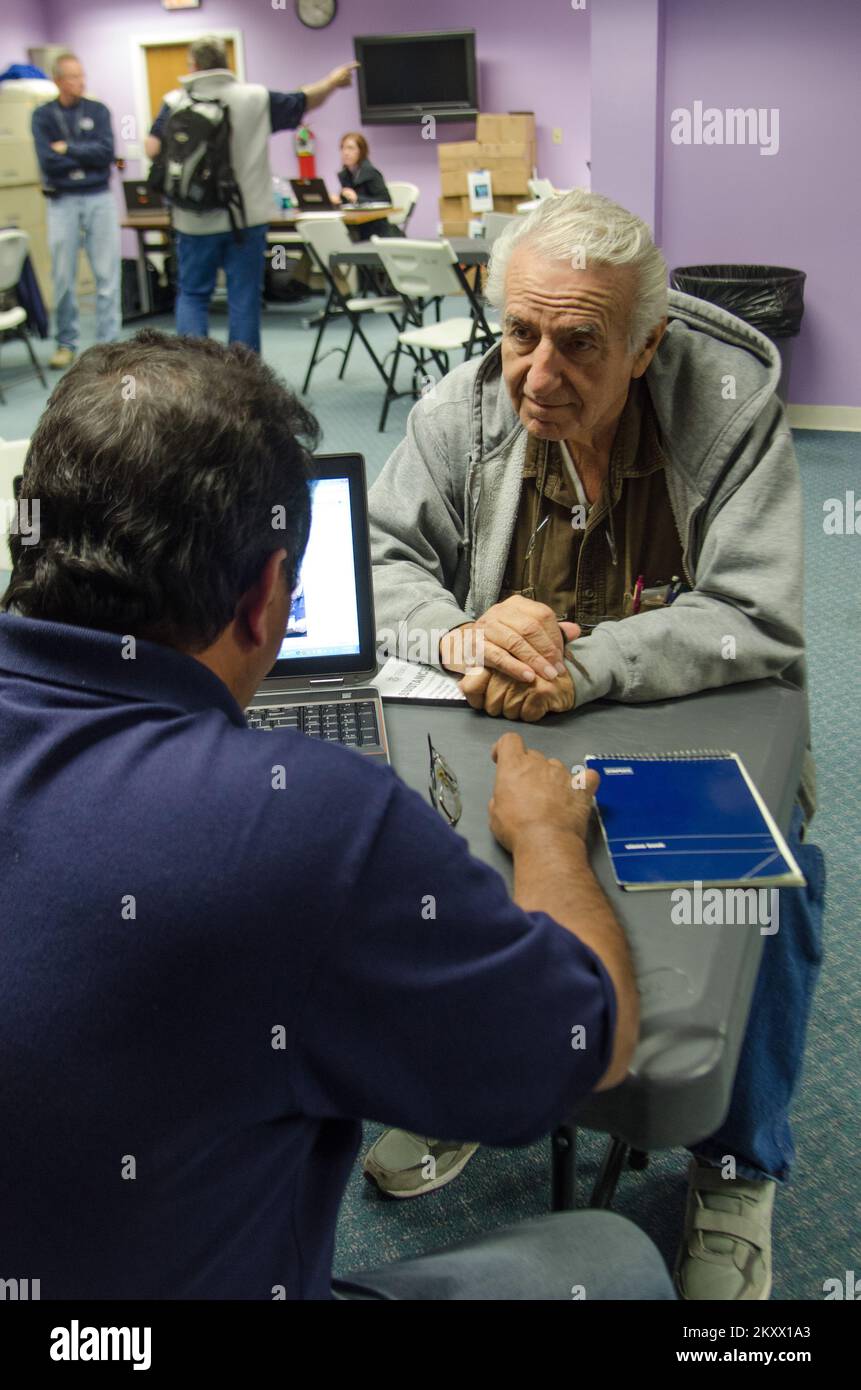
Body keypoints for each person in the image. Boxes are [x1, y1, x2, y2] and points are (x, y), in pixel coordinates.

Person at [0, 329, 674, 1302]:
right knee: (613, 1264)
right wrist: (547, 838)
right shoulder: (305, 828)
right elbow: (589, 1043)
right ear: (269, 597)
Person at [368, 189, 825, 1301]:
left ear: (647, 343)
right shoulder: (458, 411)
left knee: (776, 881)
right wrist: (466, 631)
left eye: (578, 344)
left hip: (682, 730)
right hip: (508, 734)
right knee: (409, 857)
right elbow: (382, 567)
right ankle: (464, 1090)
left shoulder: (728, 414)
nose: (537, 372)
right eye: (520, 333)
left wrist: (593, 663)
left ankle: (734, 1166)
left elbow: (757, 618)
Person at [143, 37, 359, 352]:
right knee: (242, 299)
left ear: (193, 66)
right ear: (226, 62)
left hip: (192, 222)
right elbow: (303, 100)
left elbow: (152, 148)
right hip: (244, 222)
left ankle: (191, 380)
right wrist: (332, 82)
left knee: (192, 295)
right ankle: (243, 382)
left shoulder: (175, 100)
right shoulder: (254, 98)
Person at [31, 53, 121, 370]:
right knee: (63, 277)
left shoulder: (98, 110)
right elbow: (47, 161)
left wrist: (68, 149)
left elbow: (106, 153)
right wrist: (84, 158)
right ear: (57, 80)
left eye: (82, 75)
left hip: (99, 197)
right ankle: (65, 343)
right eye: (72, 77)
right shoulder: (42, 116)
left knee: (107, 276)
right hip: (62, 200)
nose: (80, 82)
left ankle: (110, 348)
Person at [335, 131, 396, 241]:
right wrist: (338, 200)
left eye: (350, 148)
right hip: (354, 225)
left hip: (375, 228)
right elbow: (349, 204)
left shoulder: (371, 173)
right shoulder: (344, 175)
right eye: (343, 148)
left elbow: (386, 201)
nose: (345, 152)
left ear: (361, 151)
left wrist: (357, 198)